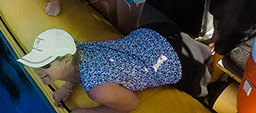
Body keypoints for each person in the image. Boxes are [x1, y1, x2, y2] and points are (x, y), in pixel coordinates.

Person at [17, 26, 210, 110]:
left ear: (67, 60)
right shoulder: (79, 49)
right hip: (157, 32)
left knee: (203, 92)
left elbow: (130, 104)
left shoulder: (97, 89)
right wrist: (67, 87)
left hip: (180, 61)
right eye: (35, 63)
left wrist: (88, 112)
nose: (37, 71)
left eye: (45, 64)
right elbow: (76, 68)